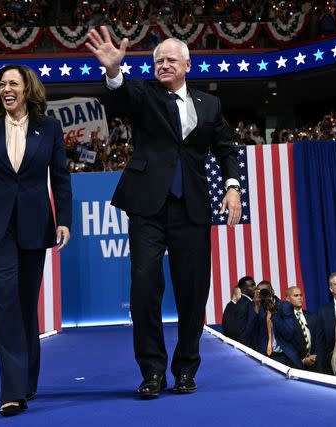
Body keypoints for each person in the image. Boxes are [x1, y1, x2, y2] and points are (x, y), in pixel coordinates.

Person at [86, 27, 242, 397]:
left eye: (171, 59)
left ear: (188, 64)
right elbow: (122, 95)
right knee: (143, 289)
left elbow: (226, 150)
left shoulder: (210, 105)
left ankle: (186, 369)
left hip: (192, 208)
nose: (164, 65)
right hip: (148, 208)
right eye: (158, 60)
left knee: (192, 292)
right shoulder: (145, 94)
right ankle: (152, 372)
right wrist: (112, 73)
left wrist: (233, 186)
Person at [0, 64, 72, 416]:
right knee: (4, 301)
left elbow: (61, 177)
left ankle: (27, 380)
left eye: (13, 84)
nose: (6, 89)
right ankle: (11, 390)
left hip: (35, 225)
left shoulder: (49, 128)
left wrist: (64, 220)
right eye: (2, 84)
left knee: (24, 304)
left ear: (27, 90)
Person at [285, 286, 319, 371]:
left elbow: (318, 339)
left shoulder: (312, 316)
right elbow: (288, 345)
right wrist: (302, 361)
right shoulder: (285, 319)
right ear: (288, 299)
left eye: (301, 295)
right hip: (294, 366)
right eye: (296, 296)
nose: (299, 298)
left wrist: (315, 356)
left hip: (314, 364)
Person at [222, 276, 256, 346]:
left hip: (231, 347)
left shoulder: (230, 304)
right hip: (246, 350)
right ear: (244, 289)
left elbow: (226, 328)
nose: (255, 288)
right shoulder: (248, 304)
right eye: (252, 286)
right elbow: (241, 331)